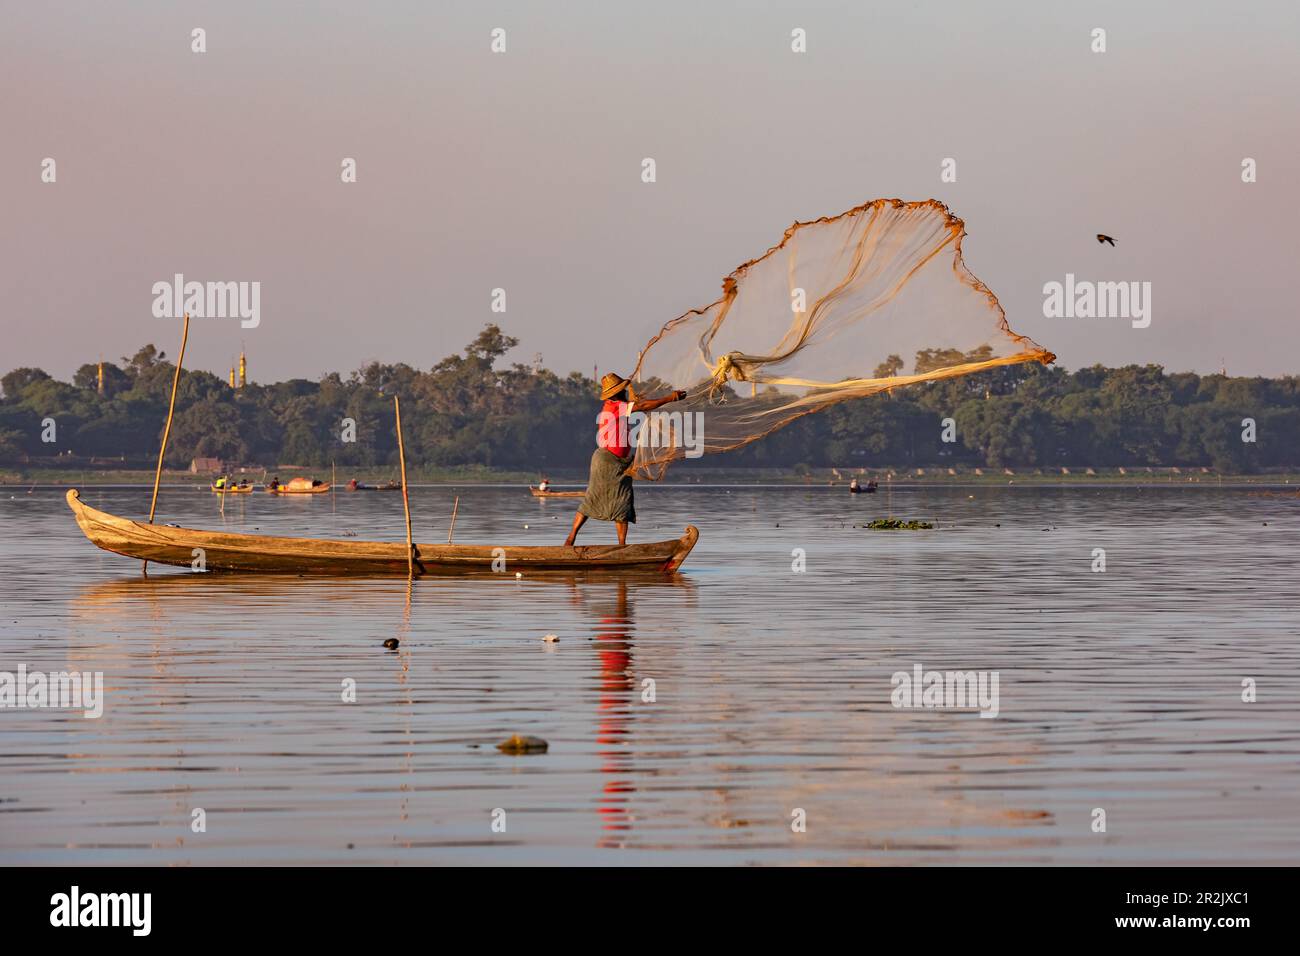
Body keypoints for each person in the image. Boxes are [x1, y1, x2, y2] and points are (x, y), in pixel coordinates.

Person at [565, 373, 686, 546]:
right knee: (598, 499)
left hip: (616, 462)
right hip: (607, 461)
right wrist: (671, 397)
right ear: (617, 393)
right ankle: (573, 539)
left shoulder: (617, 405)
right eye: (623, 390)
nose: (625, 392)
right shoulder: (615, 406)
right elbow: (643, 405)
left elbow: (640, 406)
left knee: (621, 500)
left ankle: (620, 545)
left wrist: (639, 404)